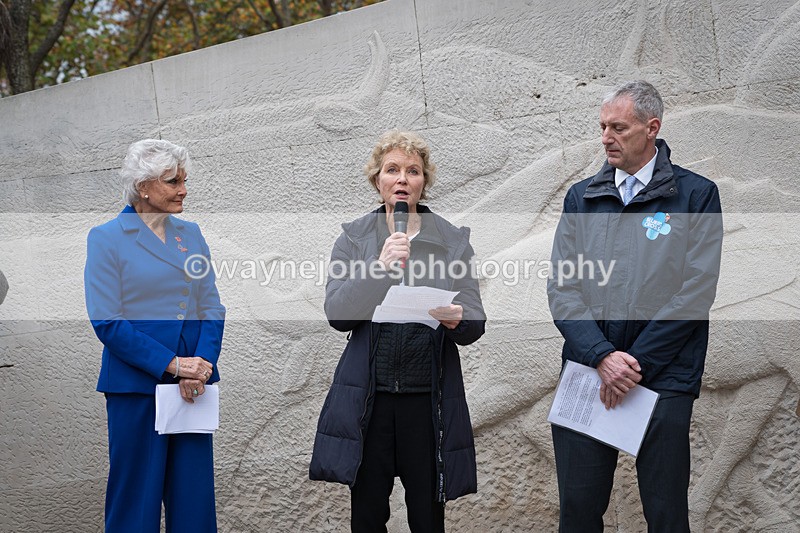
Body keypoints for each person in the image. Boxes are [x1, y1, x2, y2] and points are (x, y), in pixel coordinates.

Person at [547, 80, 723, 532]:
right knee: (579, 514)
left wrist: (633, 366)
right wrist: (602, 357)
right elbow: (564, 289)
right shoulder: (581, 198)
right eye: (602, 125)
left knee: (666, 515)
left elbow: (696, 291)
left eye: (618, 127)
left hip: (664, 376)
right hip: (590, 375)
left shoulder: (695, 195)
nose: (605, 136)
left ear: (652, 128)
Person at [309, 130, 486, 532]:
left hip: (427, 402)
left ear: (424, 182)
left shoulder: (451, 241)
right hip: (369, 402)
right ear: (378, 181)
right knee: (368, 517)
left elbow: (475, 318)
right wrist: (380, 268)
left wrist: (460, 317)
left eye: (413, 171)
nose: (403, 178)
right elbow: (338, 313)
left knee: (427, 517)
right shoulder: (355, 239)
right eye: (392, 170)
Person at [84, 139, 225, 533]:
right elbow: (107, 321)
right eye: (172, 181)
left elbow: (211, 306)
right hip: (137, 388)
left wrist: (199, 367)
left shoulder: (190, 234)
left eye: (184, 180)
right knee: (136, 502)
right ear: (143, 186)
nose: (183, 189)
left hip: (192, 386)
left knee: (194, 501)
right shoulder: (107, 237)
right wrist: (172, 365)